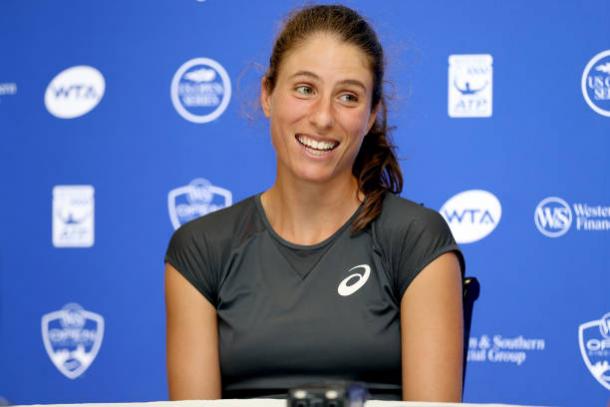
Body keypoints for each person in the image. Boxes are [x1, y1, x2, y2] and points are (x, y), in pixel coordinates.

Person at [164, 4, 465, 402]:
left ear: (373, 114)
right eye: (305, 89)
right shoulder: (201, 249)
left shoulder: (414, 240)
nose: (323, 117)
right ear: (268, 94)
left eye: (348, 96)